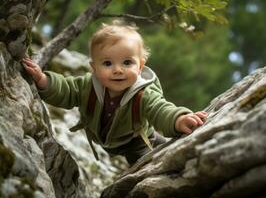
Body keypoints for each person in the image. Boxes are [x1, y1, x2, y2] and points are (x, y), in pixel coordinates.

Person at [22, 20, 208, 165]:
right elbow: (66, 90)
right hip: (107, 141)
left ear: (141, 66)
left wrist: (178, 119)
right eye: (107, 63)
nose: (118, 70)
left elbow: (160, 109)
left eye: (127, 62)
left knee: (147, 160)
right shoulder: (88, 86)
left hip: (136, 141)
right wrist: (43, 80)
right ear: (94, 68)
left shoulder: (143, 94)